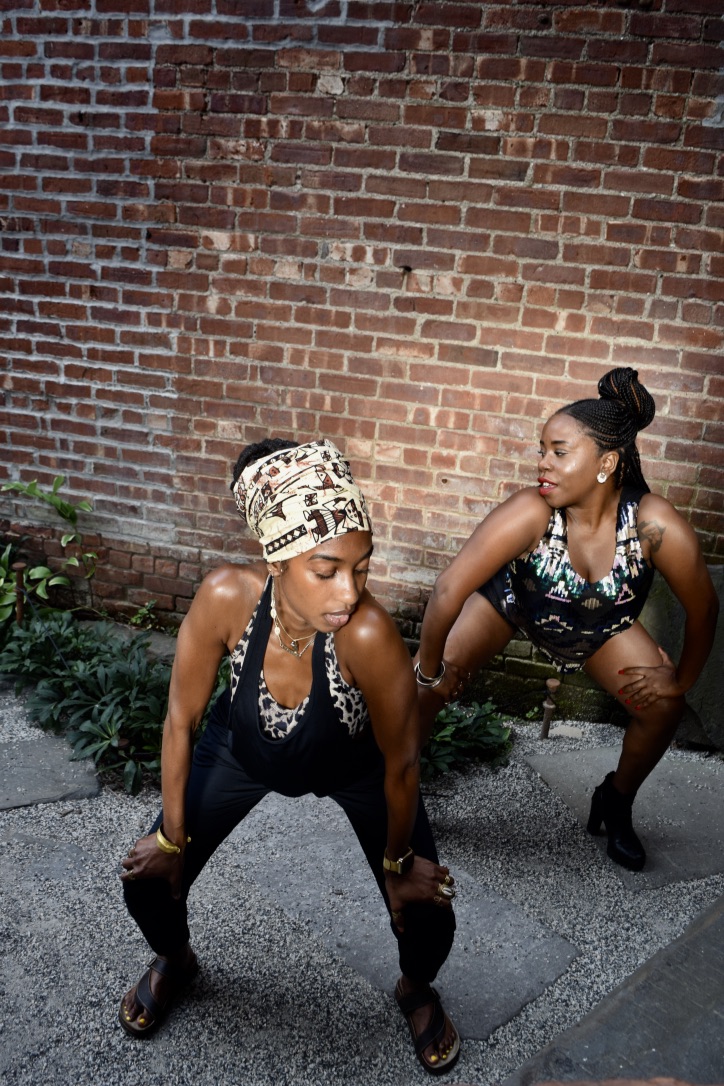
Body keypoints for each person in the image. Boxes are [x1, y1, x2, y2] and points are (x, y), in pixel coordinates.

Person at [119, 437, 460, 1076]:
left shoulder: (367, 634)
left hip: (355, 766)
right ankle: (176, 959)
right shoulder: (227, 598)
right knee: (147, 882)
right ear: (275, 560)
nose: (349, 591)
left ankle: (416, 988)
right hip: (241, 751)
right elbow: (181, 721)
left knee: (426, 909)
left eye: (362, 568)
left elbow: (402, 763)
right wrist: (170, 839)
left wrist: (398, 862)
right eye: (326, 570)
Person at [415, 368, 719, 872]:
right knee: (423, 687)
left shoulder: (651, 523)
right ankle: (402, 797)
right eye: (542, 450)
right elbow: (450, 588)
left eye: (559, 452)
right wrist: (430, 672)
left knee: (665, 710)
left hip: (599, 629)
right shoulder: (531, 511)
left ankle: (615, 799)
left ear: (607, 462)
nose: (543, 463)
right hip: (512, 604)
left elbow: (704, 606)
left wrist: (681, 679)